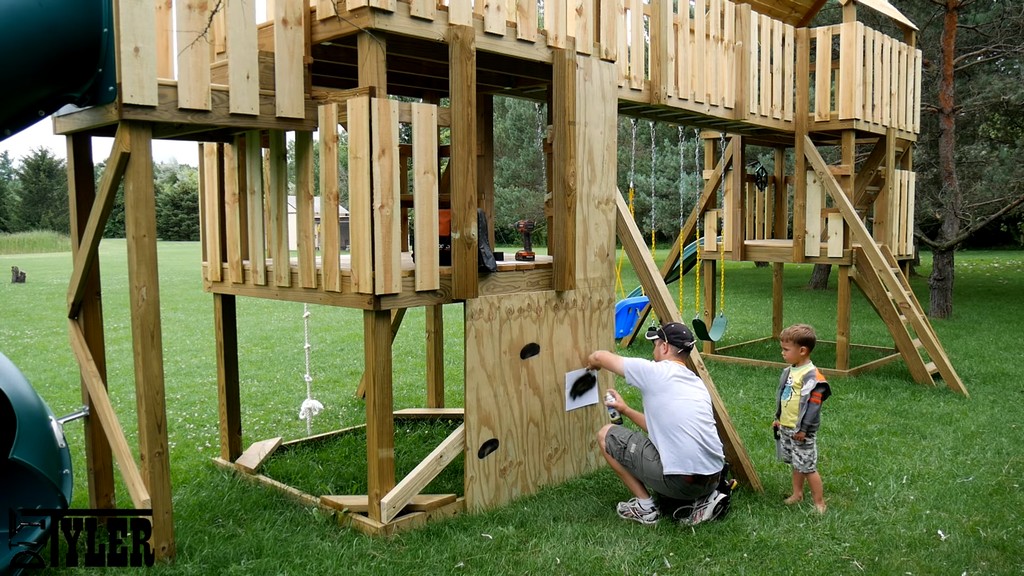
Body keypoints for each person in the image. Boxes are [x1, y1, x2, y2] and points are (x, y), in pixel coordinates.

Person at [587, 322, 726, 525]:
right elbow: (661, 429)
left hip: (682, 482)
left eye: (655, 344)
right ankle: (702, 500)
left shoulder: (655, 372)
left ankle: (645, 508)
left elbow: (600, 357)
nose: (654, 350)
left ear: (665, 347)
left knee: (606, 434)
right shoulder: (696, 382)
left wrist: (591, 363)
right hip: (713, 477)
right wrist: (625, 410)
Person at [772, 324, 831, 514]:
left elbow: (813, 407)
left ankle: (819, 503)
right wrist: (779, 418)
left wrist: (803, 429)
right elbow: (785, 397)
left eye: (786, 349)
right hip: (788, 427)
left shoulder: (812, 377)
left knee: (808, 467)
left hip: (802, 431)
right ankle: (797, 494)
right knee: (797, 464)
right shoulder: (790, 371)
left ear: (803, 350)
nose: (783, 353)